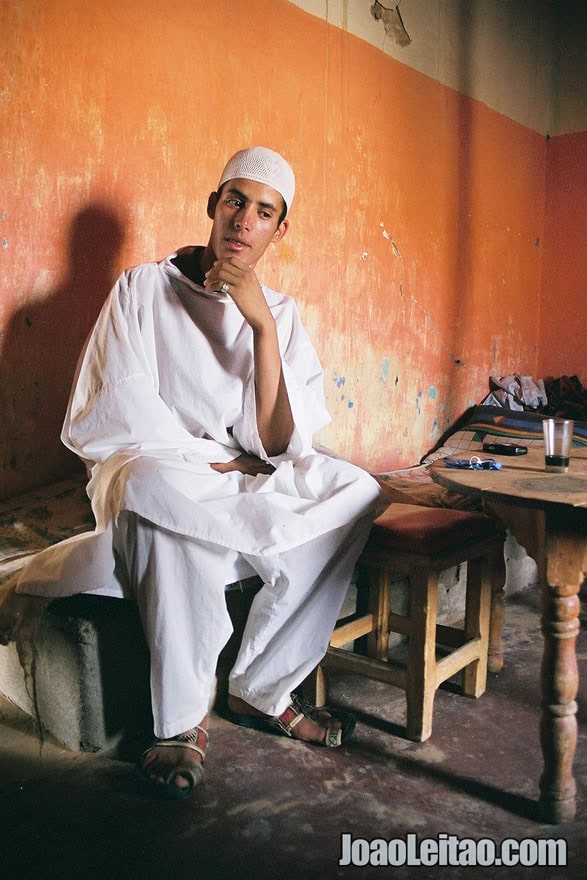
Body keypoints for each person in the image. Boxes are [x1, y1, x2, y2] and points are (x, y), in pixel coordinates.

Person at [8, 147, 383, 800]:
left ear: (278, 230)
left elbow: (276, 442)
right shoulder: (142, 289)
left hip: (239, 476)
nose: (244, 220)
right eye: (235, 200)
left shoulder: (282, 315)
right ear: (213, 206)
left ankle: (262, 686)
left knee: (356, 488)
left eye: (263, 211)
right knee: (152, 493)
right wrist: (200, 456)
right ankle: (180, 726)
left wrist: (260, 324)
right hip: (161, 469)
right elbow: (117, 410)